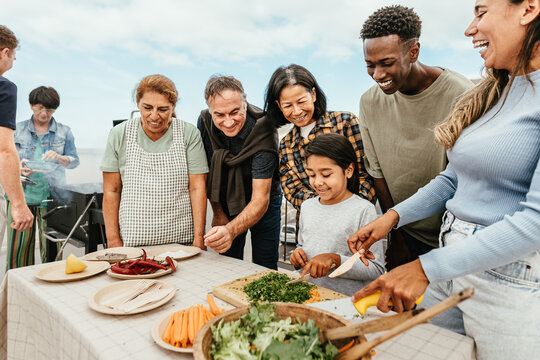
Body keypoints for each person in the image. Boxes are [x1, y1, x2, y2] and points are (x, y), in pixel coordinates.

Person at [349, 0, 540, 358]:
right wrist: (391, 219)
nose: (470, 28)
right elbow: (453, 179)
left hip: (509, 282)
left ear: (528, 9)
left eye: (481, 13)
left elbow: (536, 222)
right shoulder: (497, 90)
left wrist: (424, 266)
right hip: (451, 262)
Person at [358, 5, 474, 270]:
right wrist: (397, 235)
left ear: (413, 52)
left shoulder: (462, 95)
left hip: (453, 237)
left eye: (387, 63)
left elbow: (463, 176)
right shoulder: (369, 102)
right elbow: (377, 173)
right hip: (403, 232)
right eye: (370, 65)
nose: (378, 75)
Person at [264, 64, 375, 239]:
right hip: (311, 233)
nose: (297, 111)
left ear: (313, 94)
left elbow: (367, 173)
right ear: (278, 105)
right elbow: (292, 191)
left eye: (301, 102)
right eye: (288, 105)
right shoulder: (285, 145)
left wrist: (347, 210)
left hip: (355, 227)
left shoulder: (346, 123)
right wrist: (323, 206)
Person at [101, 74, 208, 249]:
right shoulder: (119, 134)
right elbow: (111, 190)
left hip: (181, 240)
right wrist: (113, 241)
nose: (154, 116)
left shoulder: (189, 134)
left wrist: (198, 239)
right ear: (138, 103)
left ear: (173, 106)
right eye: (147, 108)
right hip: (132, 241)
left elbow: (197, 187)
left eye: (163, 109)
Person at [197, 75, 281, 269]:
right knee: (228, 262)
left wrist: (230, 230)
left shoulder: (264, 127)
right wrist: (218, 212)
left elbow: (261, 198)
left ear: (245, 102)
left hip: (265, 200)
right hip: (226, 199)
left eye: (234, 112)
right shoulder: (204, 121)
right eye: (219, 115)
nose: (228, 122)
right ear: (210, 110)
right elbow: (208, 170)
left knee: (266, 264)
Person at [290, 134, 385, 296]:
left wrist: (336, 259)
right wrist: (296, 255)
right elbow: (302, 246)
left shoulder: (363, 210)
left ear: (348, 170)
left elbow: (376, 269)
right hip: (311, 297)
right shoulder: (307, 207)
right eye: (312, 175)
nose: (318, 182)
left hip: (348, 303)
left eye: (326, 174)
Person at [7, 86, 79, 269]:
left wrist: (60, 158)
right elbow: (4, 158)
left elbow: (74, 161)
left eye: (50, 109)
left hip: (53, 199)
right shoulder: (16, 129)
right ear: (31, 106)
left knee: (53, 253)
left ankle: (51, 290)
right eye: (40, 108)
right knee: (18, 252)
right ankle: (18, 292)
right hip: (21, 198)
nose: (44, 113)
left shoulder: (65, 131)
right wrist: (18, 166)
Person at [0, 25, 33, 249]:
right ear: (4, 52)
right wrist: (19, 205)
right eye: (13, 56)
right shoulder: (4, 88)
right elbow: (3, 149)